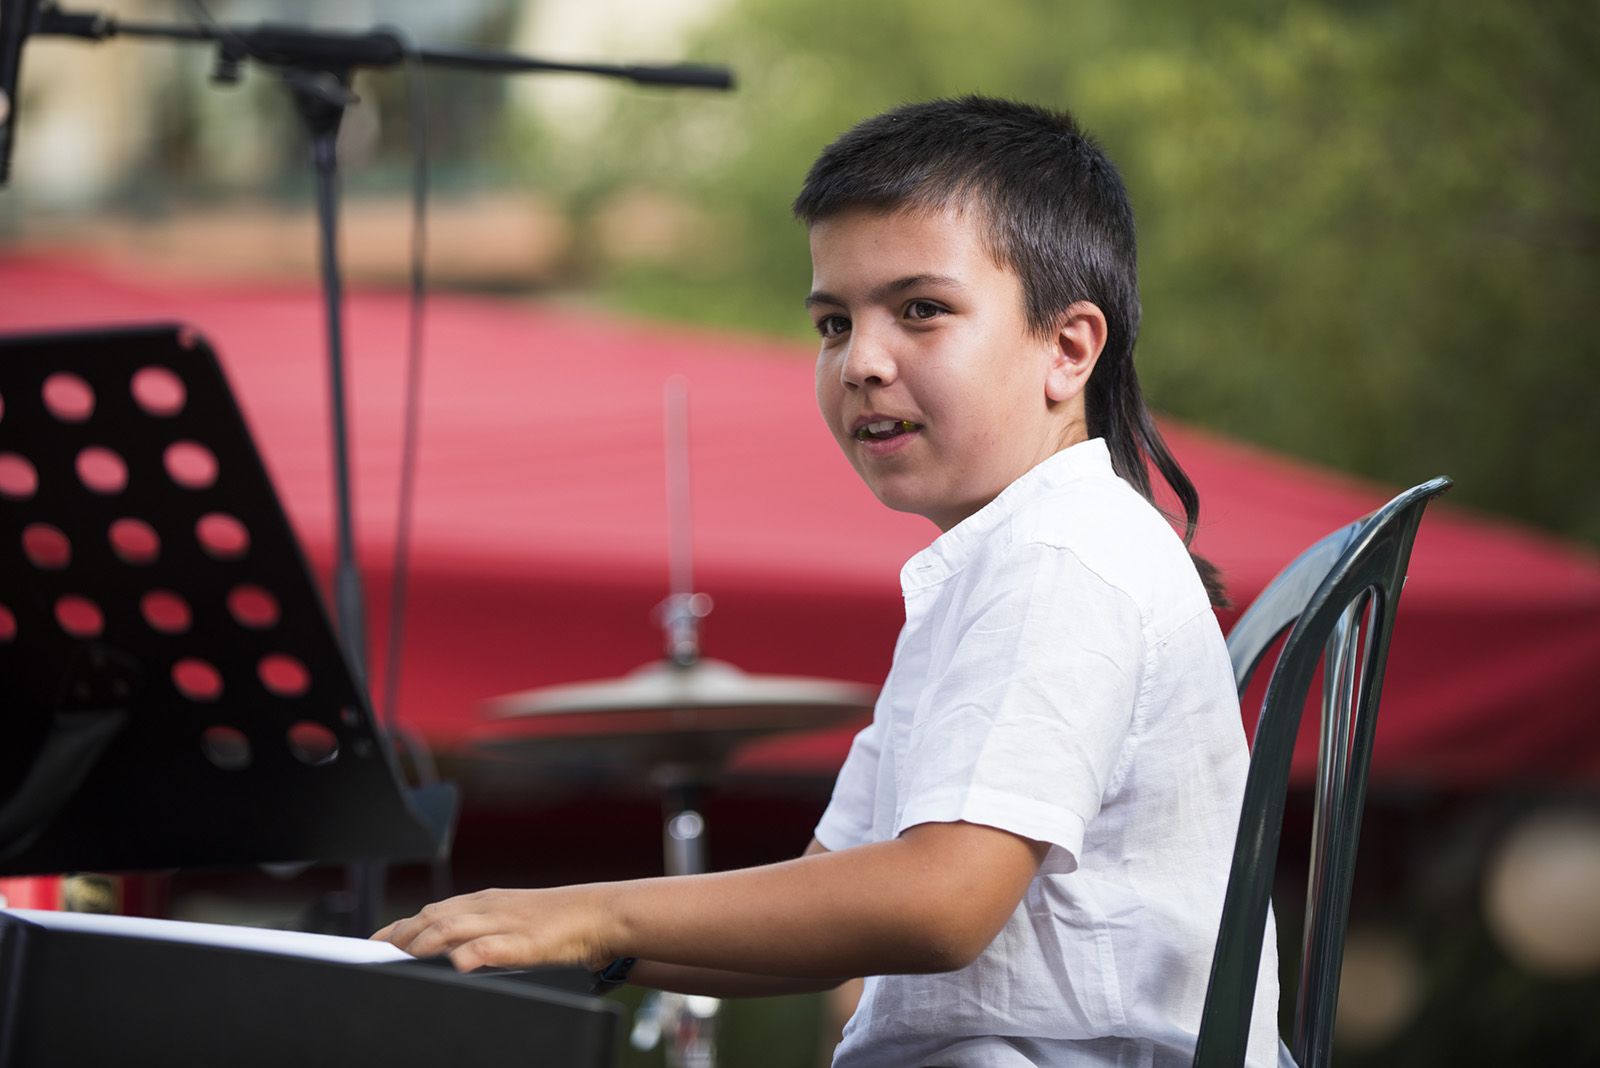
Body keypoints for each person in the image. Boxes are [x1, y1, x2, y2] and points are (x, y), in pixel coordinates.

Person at [375, 96, 1281, 1067]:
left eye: (920, 311)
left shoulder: (1061, 555)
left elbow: (939, 903)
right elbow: (828, 898)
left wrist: (591, 915)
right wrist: (566, 938)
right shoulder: (1005, 558)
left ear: (1067, 348)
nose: (862, 362)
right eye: (833, 322)